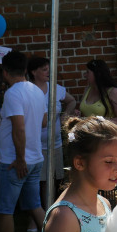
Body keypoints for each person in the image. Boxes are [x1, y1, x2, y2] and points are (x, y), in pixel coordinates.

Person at [0, 51, 47, 232]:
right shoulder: (36, 90)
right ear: (25, 70)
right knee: (35, 205)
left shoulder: (13, 94)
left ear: (5, 72)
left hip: (15, 161)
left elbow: (19, 127)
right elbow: (42, 122)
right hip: (36, 157)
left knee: (5, 210)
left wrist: (20, 158)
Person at [28, 56, 77, 212]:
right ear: (33, 72)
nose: (48, 72)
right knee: (41, 181)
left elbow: (72, 101)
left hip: (55, 143)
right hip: (36, 144)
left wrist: (65, 115)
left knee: (58, 178)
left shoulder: (54, 88)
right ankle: (42, 212)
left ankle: (57, 210)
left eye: (49, 69)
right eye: (44, 69)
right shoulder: (28, 90)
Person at [78, 59, 117, 127]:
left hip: (107, 135)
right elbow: (85, 115)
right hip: (89, 135)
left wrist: (98, 124)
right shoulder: (87, 89)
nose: (85, 75)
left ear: (97, 74)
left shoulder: (114, 92)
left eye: (88, 72)